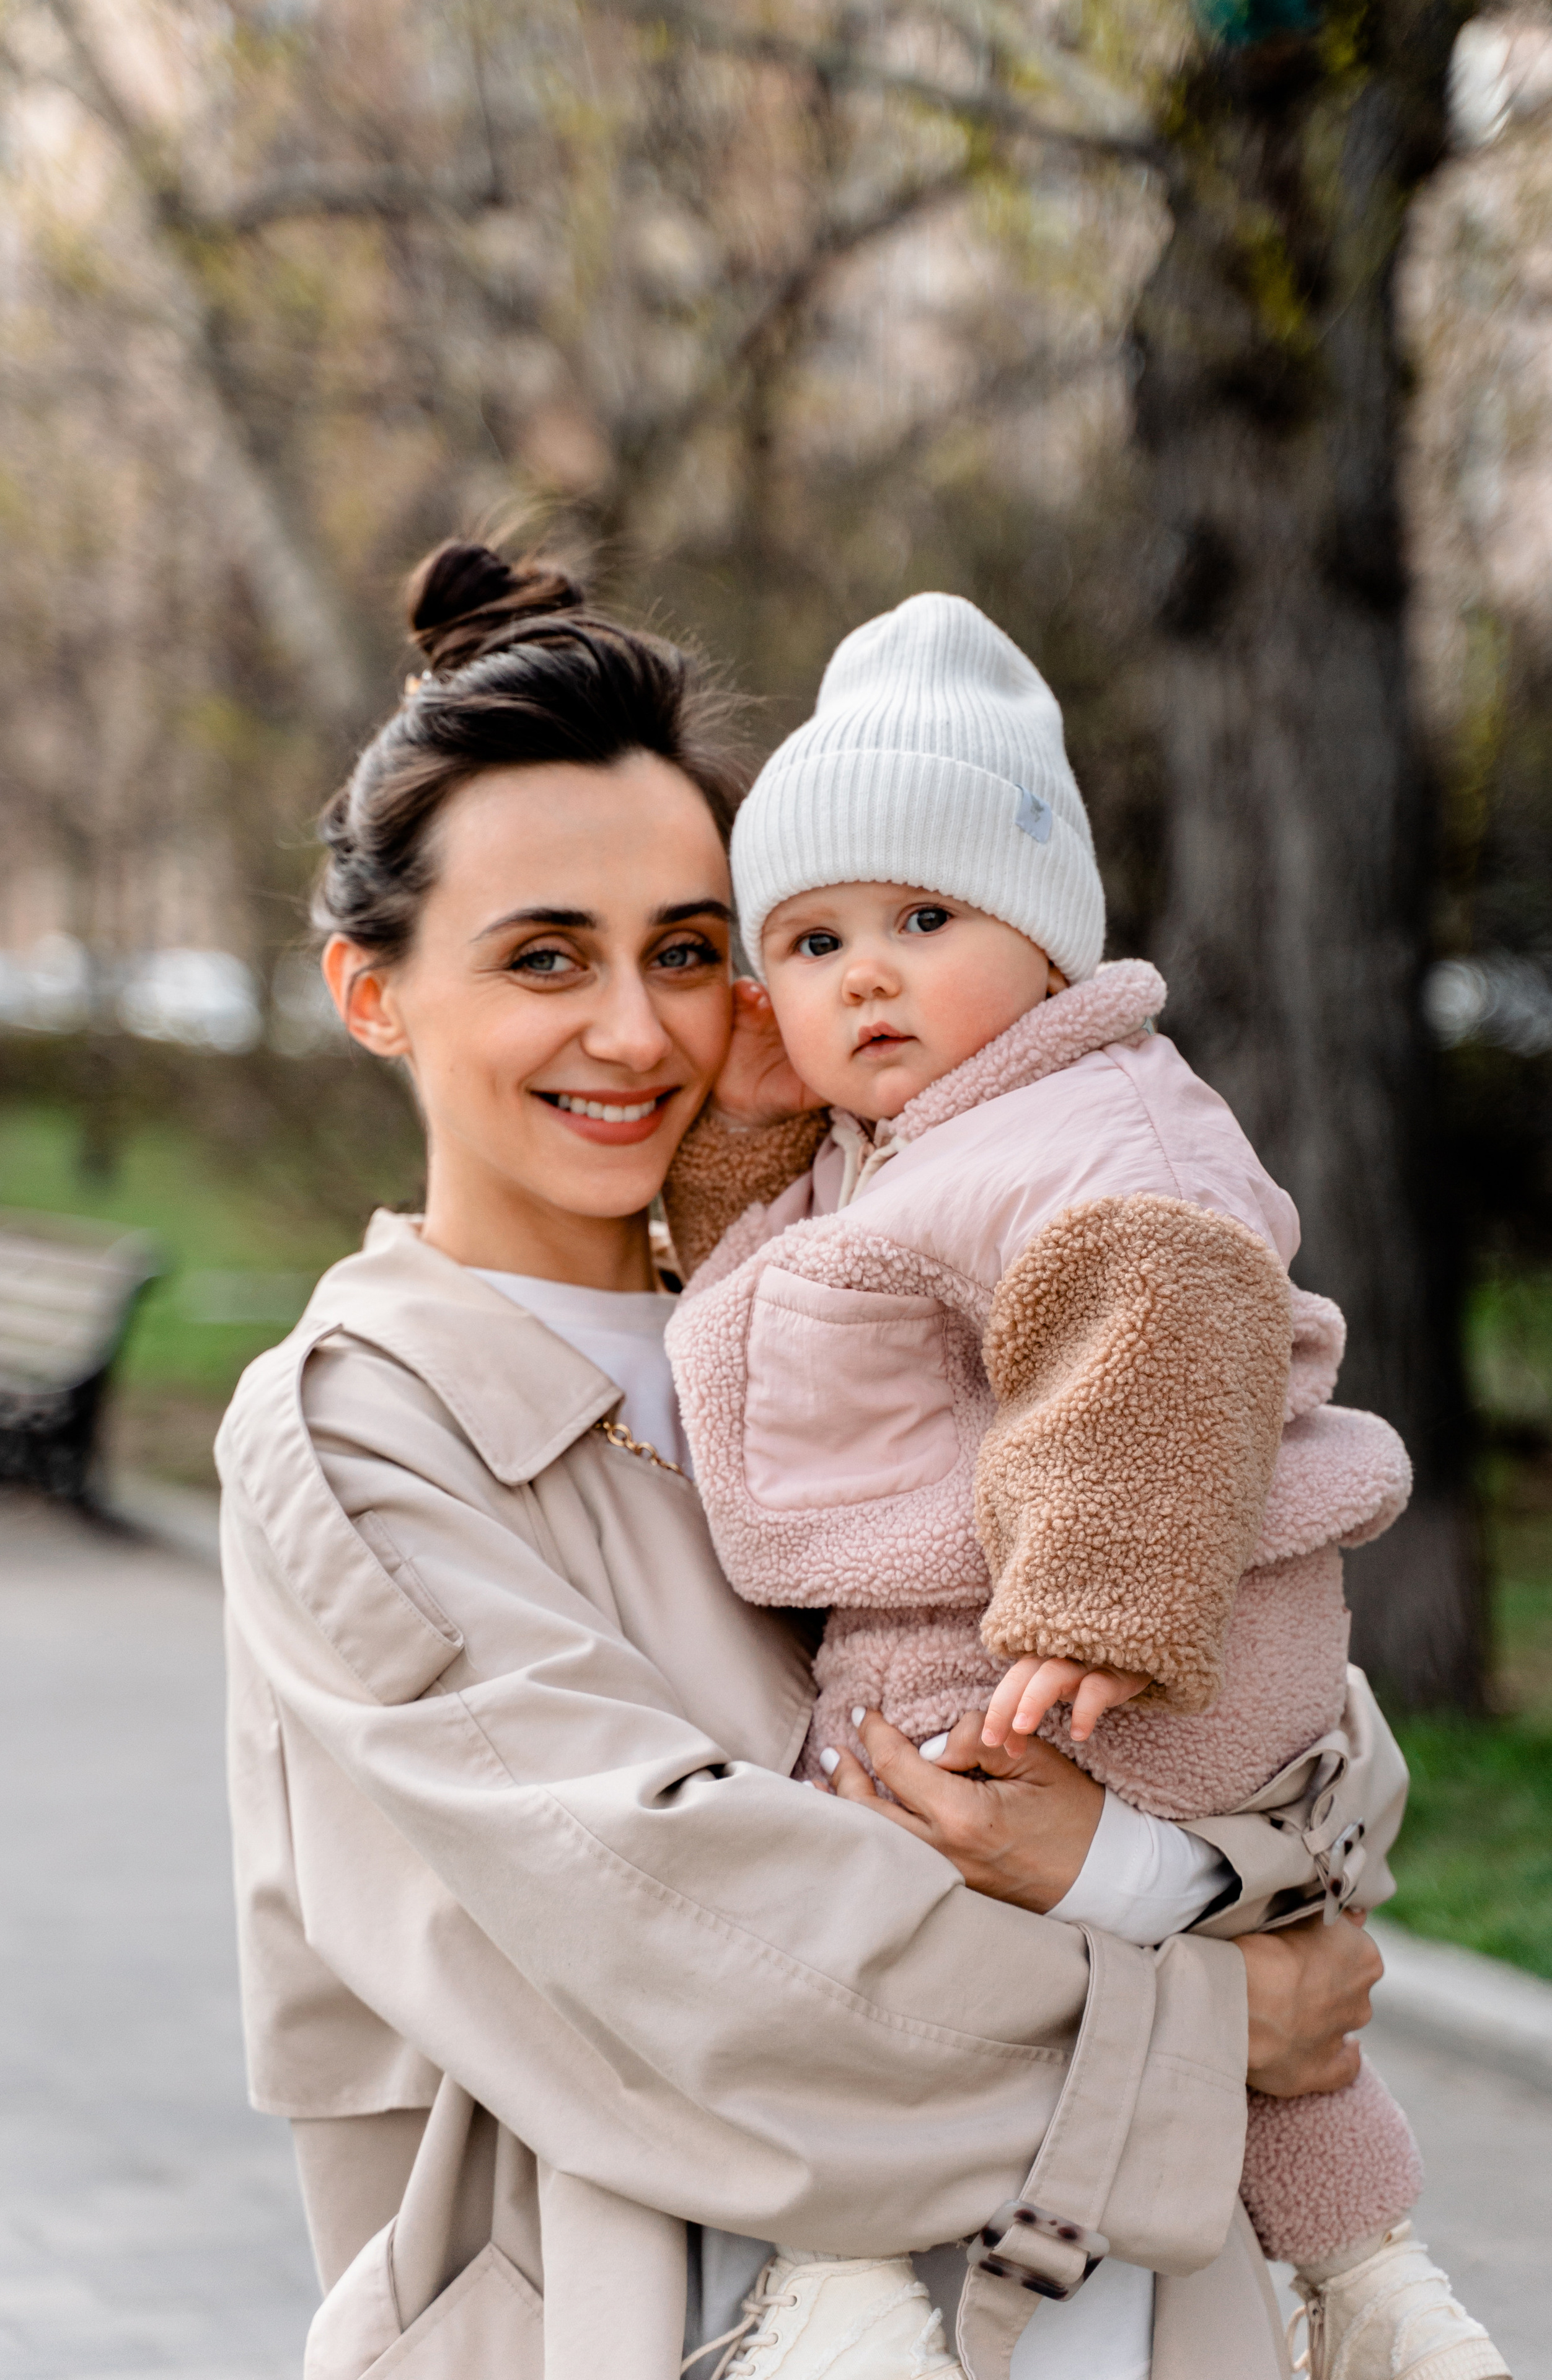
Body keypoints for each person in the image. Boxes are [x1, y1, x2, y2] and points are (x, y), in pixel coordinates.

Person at [217, 540, 1400, 2380]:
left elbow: (1312, 1715)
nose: (638, 1031)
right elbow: (690, 1941)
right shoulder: (365, 1428)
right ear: (372, 995)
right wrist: (1211, 2006)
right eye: (545, 958)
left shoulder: (865, 1302)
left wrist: (1142, 1865)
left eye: (691, 953)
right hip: (651, 2323)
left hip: (1112, 2309)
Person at [661, 591, 1509, 2380]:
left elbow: (1163, 1310)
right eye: (809, 941)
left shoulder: (1093, 1126)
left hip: (1100, 1645)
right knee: (1273, 2001)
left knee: (852, 1910)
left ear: (1048, 946)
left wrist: (1101, 1594)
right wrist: (748, 1120)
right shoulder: (932, 1134)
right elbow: (779, 1272)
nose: (865, 974)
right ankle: (1367, 2274)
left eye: (925, 918)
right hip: (1145, 1634)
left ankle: (838, 2271)